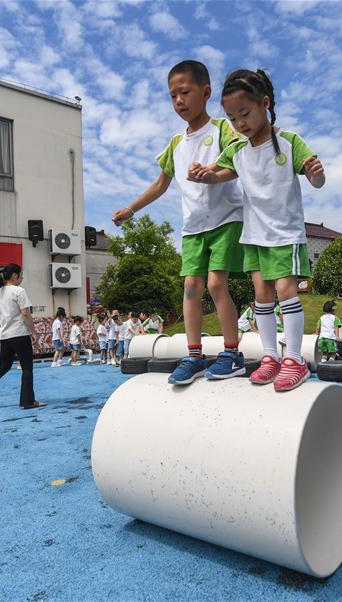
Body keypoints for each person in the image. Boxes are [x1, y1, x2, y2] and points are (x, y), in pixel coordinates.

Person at [112, 60, 246, 386]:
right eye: (173, 96)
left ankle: (232, 353)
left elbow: (241, 163)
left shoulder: (222, 131)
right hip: (193, 228)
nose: (179, 102)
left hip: (226, 219)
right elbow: (160, 185)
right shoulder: (176, 144)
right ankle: (194, 354)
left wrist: (213, 174)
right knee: (190, 287)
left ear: (206, 92)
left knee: (215, 285)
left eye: (185, 92)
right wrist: (131, 209)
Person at [191, 68, 326, 392]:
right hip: (254, 235)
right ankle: (270, 357)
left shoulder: (289, 142)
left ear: (265, 103)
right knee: (262, 296)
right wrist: (202, 174)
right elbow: (218, 173)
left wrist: (316, 173)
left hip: (285, 233)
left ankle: (294, 359)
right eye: (233, 118)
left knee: (285, 291)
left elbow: (317, 181)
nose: (240, 123)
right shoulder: (237, 151)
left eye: (245, 113)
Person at [0, 263, 45, 409]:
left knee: (3, 367)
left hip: (5, 335)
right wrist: (33, 332)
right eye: (21, 274)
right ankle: (28, 401)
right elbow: (25, 314)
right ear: (14, 275)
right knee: (27, 368)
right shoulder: (19, 291)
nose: (22, 277)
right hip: (20, 334)